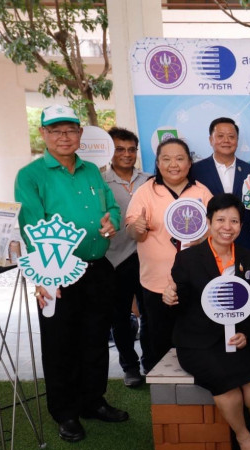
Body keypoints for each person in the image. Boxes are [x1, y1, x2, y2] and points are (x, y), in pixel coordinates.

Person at [14, 104, 127, 443]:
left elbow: (111, 207)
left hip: (97, 268)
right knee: (60, 345)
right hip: (57, 273)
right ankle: (65, 412)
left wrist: (112, 221)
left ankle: (93, 401)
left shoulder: (91, 170)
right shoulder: (30, 175)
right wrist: (43, 278)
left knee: (95, 339)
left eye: (70, 130)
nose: (64, 137)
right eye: (55, 130)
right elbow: (31, 227)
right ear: (43, 134)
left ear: (80, 133)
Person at [162, 194, 250, 450]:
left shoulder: (248, 258)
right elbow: (179, 303)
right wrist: (169, 297)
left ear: (241, 225)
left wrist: (245, 334)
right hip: (197, 341)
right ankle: (243, 437)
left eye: (234, 221)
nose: (227, 227)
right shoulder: (188, 258)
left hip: (235, 338)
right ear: (209, 222)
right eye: (221, 220)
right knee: (228, 387)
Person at [126, 138, 213, 372]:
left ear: (189, 163)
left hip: (195, 281)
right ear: (157, 163)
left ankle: (198, 379)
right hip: (156, 282)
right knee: (159, 337)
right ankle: (160, 384)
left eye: (179, 158)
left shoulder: (201, 191)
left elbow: (215, 229)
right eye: (166, 159)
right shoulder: (146, 191)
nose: (173, 164)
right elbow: (132, 231)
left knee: (194, 335)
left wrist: (204, 238)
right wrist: (137, 228)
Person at [103, 127, 152, 388]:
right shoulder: (99, 182)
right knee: (120, 317)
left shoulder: (150, 180)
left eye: (131, 149)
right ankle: (130, 367)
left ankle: (151, 362)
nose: (127, 154)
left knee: (150, 314)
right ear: (110, 152)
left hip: (147, 257)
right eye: (120, 149)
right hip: (115, 259)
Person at [190, 117, 250, 258]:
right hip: (207, 247)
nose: (226, 140)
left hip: (244, 247)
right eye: (220, 136)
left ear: (237, 140)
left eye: (231, 137)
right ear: (211, 140)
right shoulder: (195, 171)